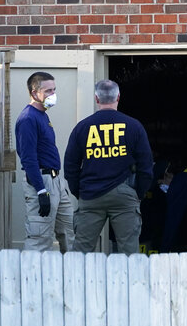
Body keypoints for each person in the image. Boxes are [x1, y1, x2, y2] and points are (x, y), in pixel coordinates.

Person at [63, 79, 154, 254]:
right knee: (129, 252)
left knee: (81, 251)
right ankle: (130, 282)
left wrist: (79, 192)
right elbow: (146, 166)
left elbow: (70, 166)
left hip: (90, 194)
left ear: (96, 99)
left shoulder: (82, 127)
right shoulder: (133, 126)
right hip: (124, 193)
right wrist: (138, 193)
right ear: (118, 97)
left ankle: (77, 282)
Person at [15, 71, 75, 251]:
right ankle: (30, 278)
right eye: (48, 91)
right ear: (34, 93)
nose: (53, 94)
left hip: (57, 181)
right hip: (42, 181)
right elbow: (28, 158)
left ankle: (73, 277)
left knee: (68, 232)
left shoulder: (43, 115)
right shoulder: (28, 118)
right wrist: (41, 190)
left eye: (54, 90)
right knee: (39, 237)